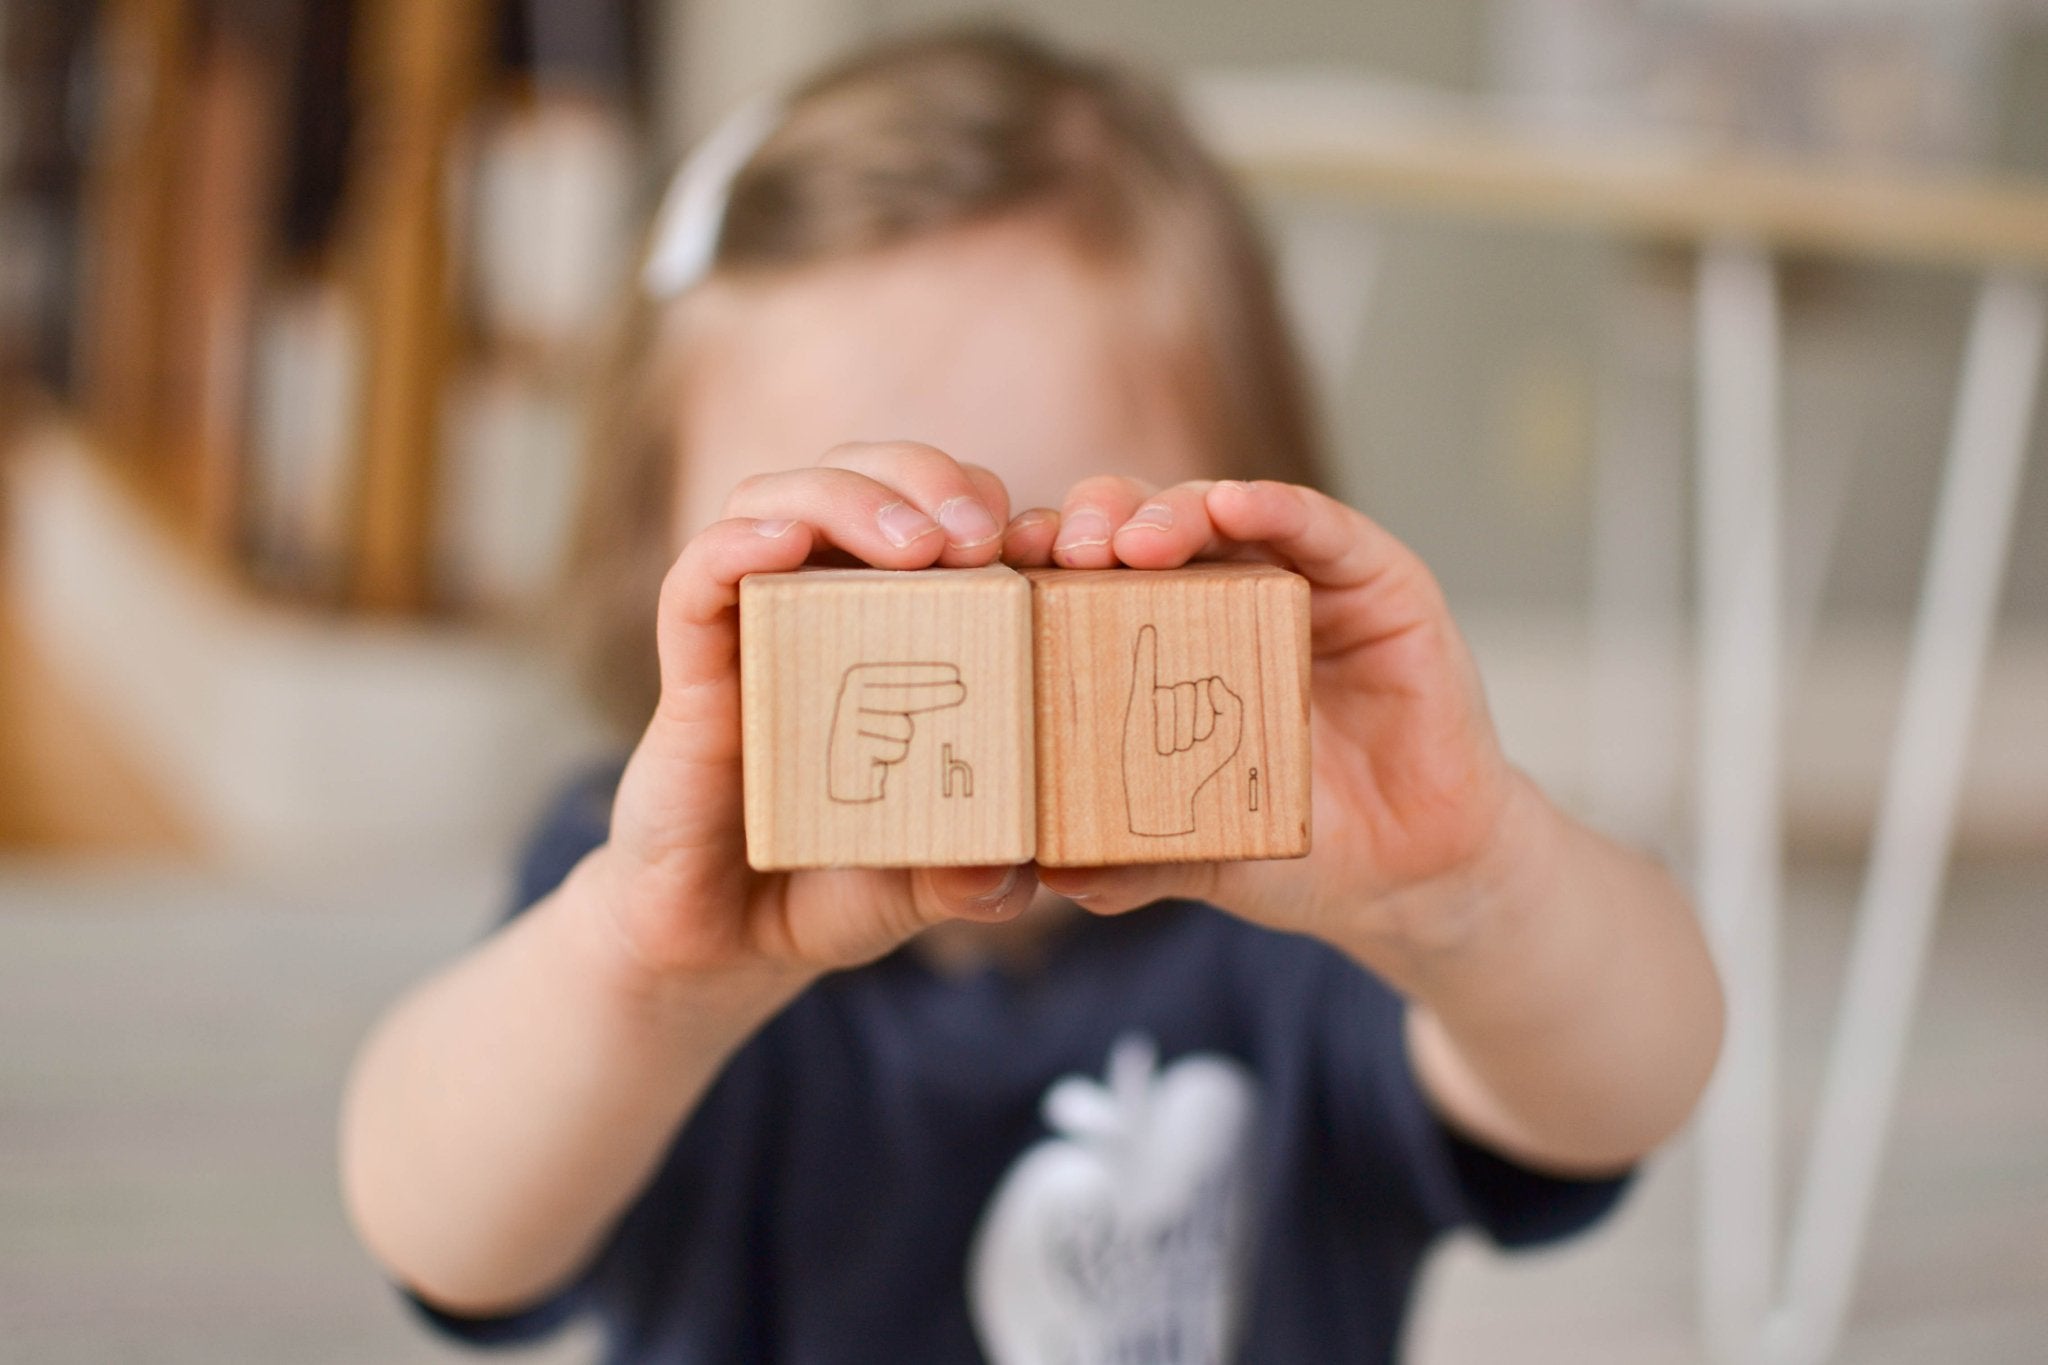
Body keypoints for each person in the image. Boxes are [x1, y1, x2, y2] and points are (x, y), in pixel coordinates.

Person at [341, 28, 1722, 1364]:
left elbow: (1638, 1081)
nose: (963, 657)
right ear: (660, 553)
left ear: (1238, 554)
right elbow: (432, 1225)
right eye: (834, 573)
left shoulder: (1315, 913)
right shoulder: (646, 895)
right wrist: (641, 976)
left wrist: (1462, 889)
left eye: (1061, 569)